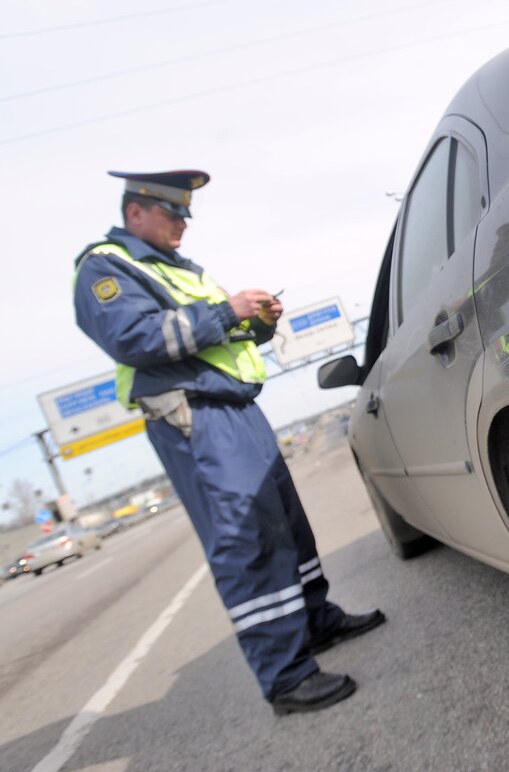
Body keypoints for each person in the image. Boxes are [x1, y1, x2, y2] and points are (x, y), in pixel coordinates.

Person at [73, 169, 385, 715]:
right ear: (136, 213)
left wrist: (259, 324)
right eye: (173, 214)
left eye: (186, 216)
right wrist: (226, 310)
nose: (182, 226)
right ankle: (285, 676)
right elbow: (134, 337)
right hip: (195, 416)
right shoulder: (106, 267)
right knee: (247, 541)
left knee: (286, 525)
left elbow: (221, 335)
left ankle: (316, 621)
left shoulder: (175, 270)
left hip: (236, 409)